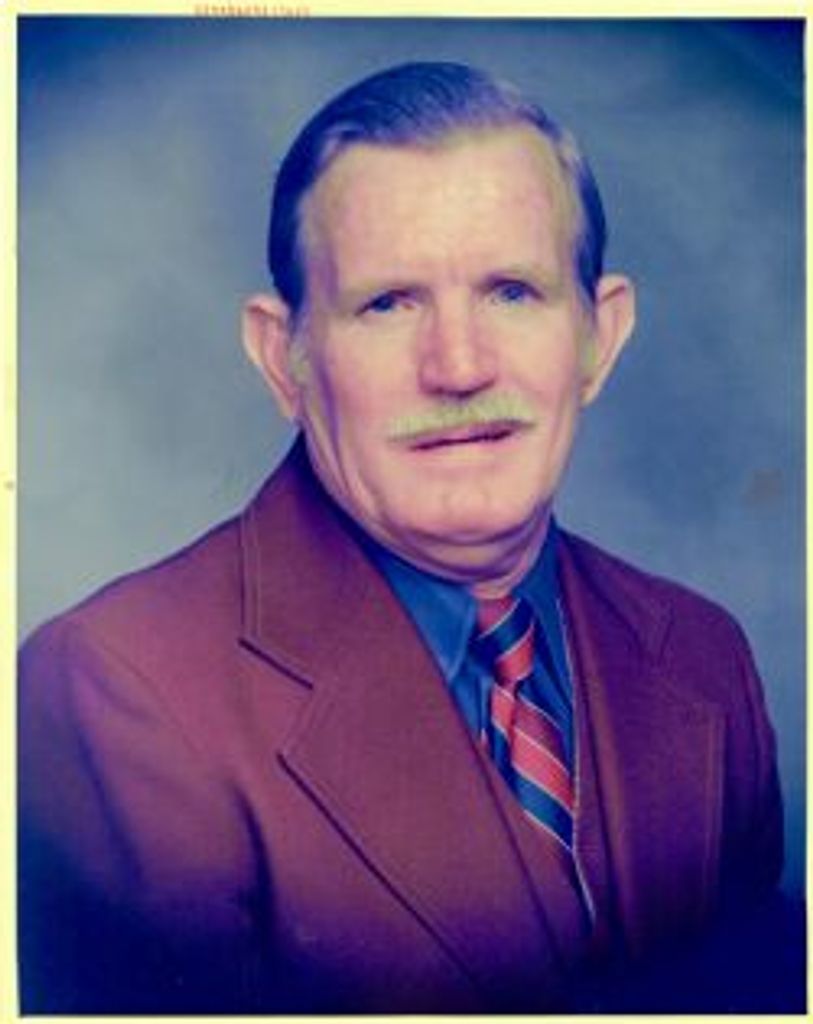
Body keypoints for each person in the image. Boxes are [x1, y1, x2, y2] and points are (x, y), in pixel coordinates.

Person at [18, 61, 787, 1014]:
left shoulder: (703, 656)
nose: (458, 366)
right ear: (284, 357)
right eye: (388, 303)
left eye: (511, 291)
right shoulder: (115, 694)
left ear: (599, 335)